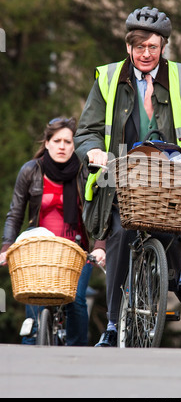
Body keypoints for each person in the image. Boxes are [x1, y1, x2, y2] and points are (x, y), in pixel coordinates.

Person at [74, 6, 181, 347]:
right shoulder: (109, 78)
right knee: (121, 233)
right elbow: (87, 130)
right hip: (119, 176)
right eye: (138, 46)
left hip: (171, 175)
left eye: (152, 47)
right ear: (128, 47)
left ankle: (174, 278)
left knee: (172, 224)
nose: (145, 54)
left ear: (164, 47)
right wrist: (93, 152)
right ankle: (112, 325)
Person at [0, 117, 105, 346]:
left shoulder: (85, 171)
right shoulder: (30, 171)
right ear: (47, 143)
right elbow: (15, 214)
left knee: (77, 299)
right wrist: (7, 247)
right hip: (39, 248)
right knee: (34, 294)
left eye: (68, 141)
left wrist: (100, 247)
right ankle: (32, 341)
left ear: (74, 145)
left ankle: (77, 349)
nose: (62, 146)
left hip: (76, 250)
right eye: (57, 140)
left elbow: (101, 211)